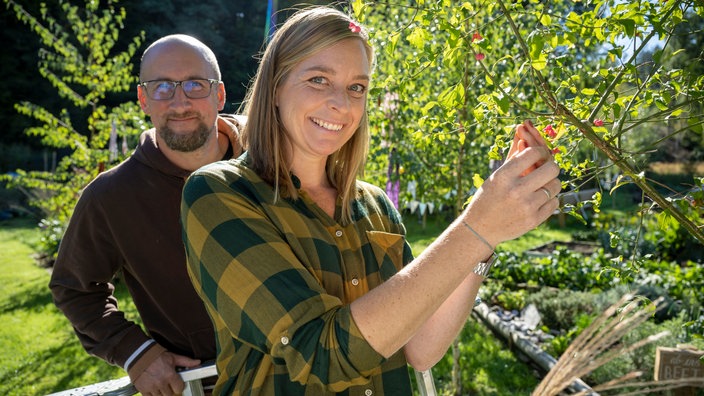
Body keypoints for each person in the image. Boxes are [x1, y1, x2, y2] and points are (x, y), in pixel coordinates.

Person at [181, 6, 561, 395]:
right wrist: (477, 226)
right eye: (318, 79)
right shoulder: (220, 193)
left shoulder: (375, 204)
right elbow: (321, 355)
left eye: (356, 87)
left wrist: (488, 237)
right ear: (275, 87)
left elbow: (421, 349)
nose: (341, 104)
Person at [49, 34, 243, 396]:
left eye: (195, 84)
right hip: (204, 385)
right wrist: (134, 353)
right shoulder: (111, 196)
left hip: (309, 373)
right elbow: (74, 288)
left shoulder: (274, 154)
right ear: (143, 99)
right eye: (162, 87)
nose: (180, 101)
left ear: (219, 94)